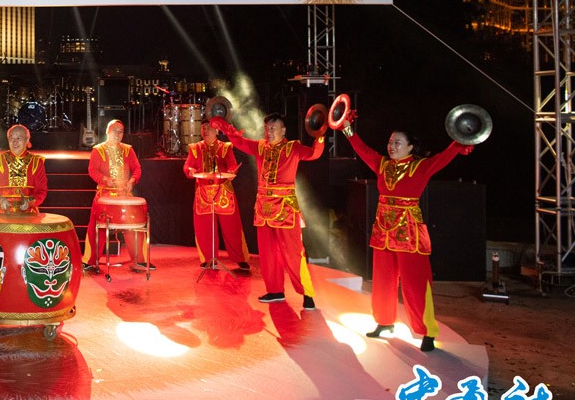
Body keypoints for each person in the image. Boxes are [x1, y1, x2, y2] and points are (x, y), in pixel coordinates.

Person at [341, 112, 473, 352]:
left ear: (411, 147)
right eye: (390, 142)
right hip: (383, 231)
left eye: (398, 143)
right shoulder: (382, 165)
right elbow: (363, 150)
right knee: (383, 280)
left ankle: (427, 331)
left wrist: (459, 142)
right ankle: (384, 322)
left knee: (416, 283)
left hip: (409, 233)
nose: (391, 146)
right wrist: (347, 128)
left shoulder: (420, 167)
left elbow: (444, 157)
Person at [212, 112, 324, 309]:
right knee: (268, 253)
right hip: (263, 208)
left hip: (285, 208)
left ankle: (307, 293)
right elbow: (240, 142)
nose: (268, 132)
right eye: (266, 129)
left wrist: (320, 135)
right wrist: (224, 125)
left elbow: (315, 153)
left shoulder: (293, 148)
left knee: (294, 253)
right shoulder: (261, 147)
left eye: (273, 128)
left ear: (283, 130)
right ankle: (275, 290)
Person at [183, 122, 250, 270]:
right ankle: (208, 259)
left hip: (223, 191)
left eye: (210, 128)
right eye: (204, 128)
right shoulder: (195, 148)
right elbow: (187, 166)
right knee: (204, 228)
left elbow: (232, 165)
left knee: (232, 227)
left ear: (217, 130)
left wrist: (232, 171)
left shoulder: (225, 147)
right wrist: (190, 170)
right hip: (203, 192)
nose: (206, 131)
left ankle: (240, 258)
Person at [84, 118, 148, 274]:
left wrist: (132, 181)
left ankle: (140, 260)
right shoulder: (98, 150)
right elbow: (92, 170)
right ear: (107, 131)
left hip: (124, 193)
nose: (118, 134)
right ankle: (90, 261)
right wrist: (105, 179)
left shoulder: (128, 150)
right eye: (114, 131)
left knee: (133, 226)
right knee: (97, 226)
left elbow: (137, 168)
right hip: (104, 194)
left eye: (121, 131)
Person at [0, 124, 48, 214]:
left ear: (27, 140)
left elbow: (41, 190)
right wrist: (0, 200)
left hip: (29, 214)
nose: (14, 142)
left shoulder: (36, 162)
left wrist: (29, 202)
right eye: (11, 138)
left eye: (19, 138)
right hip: (2, 214)